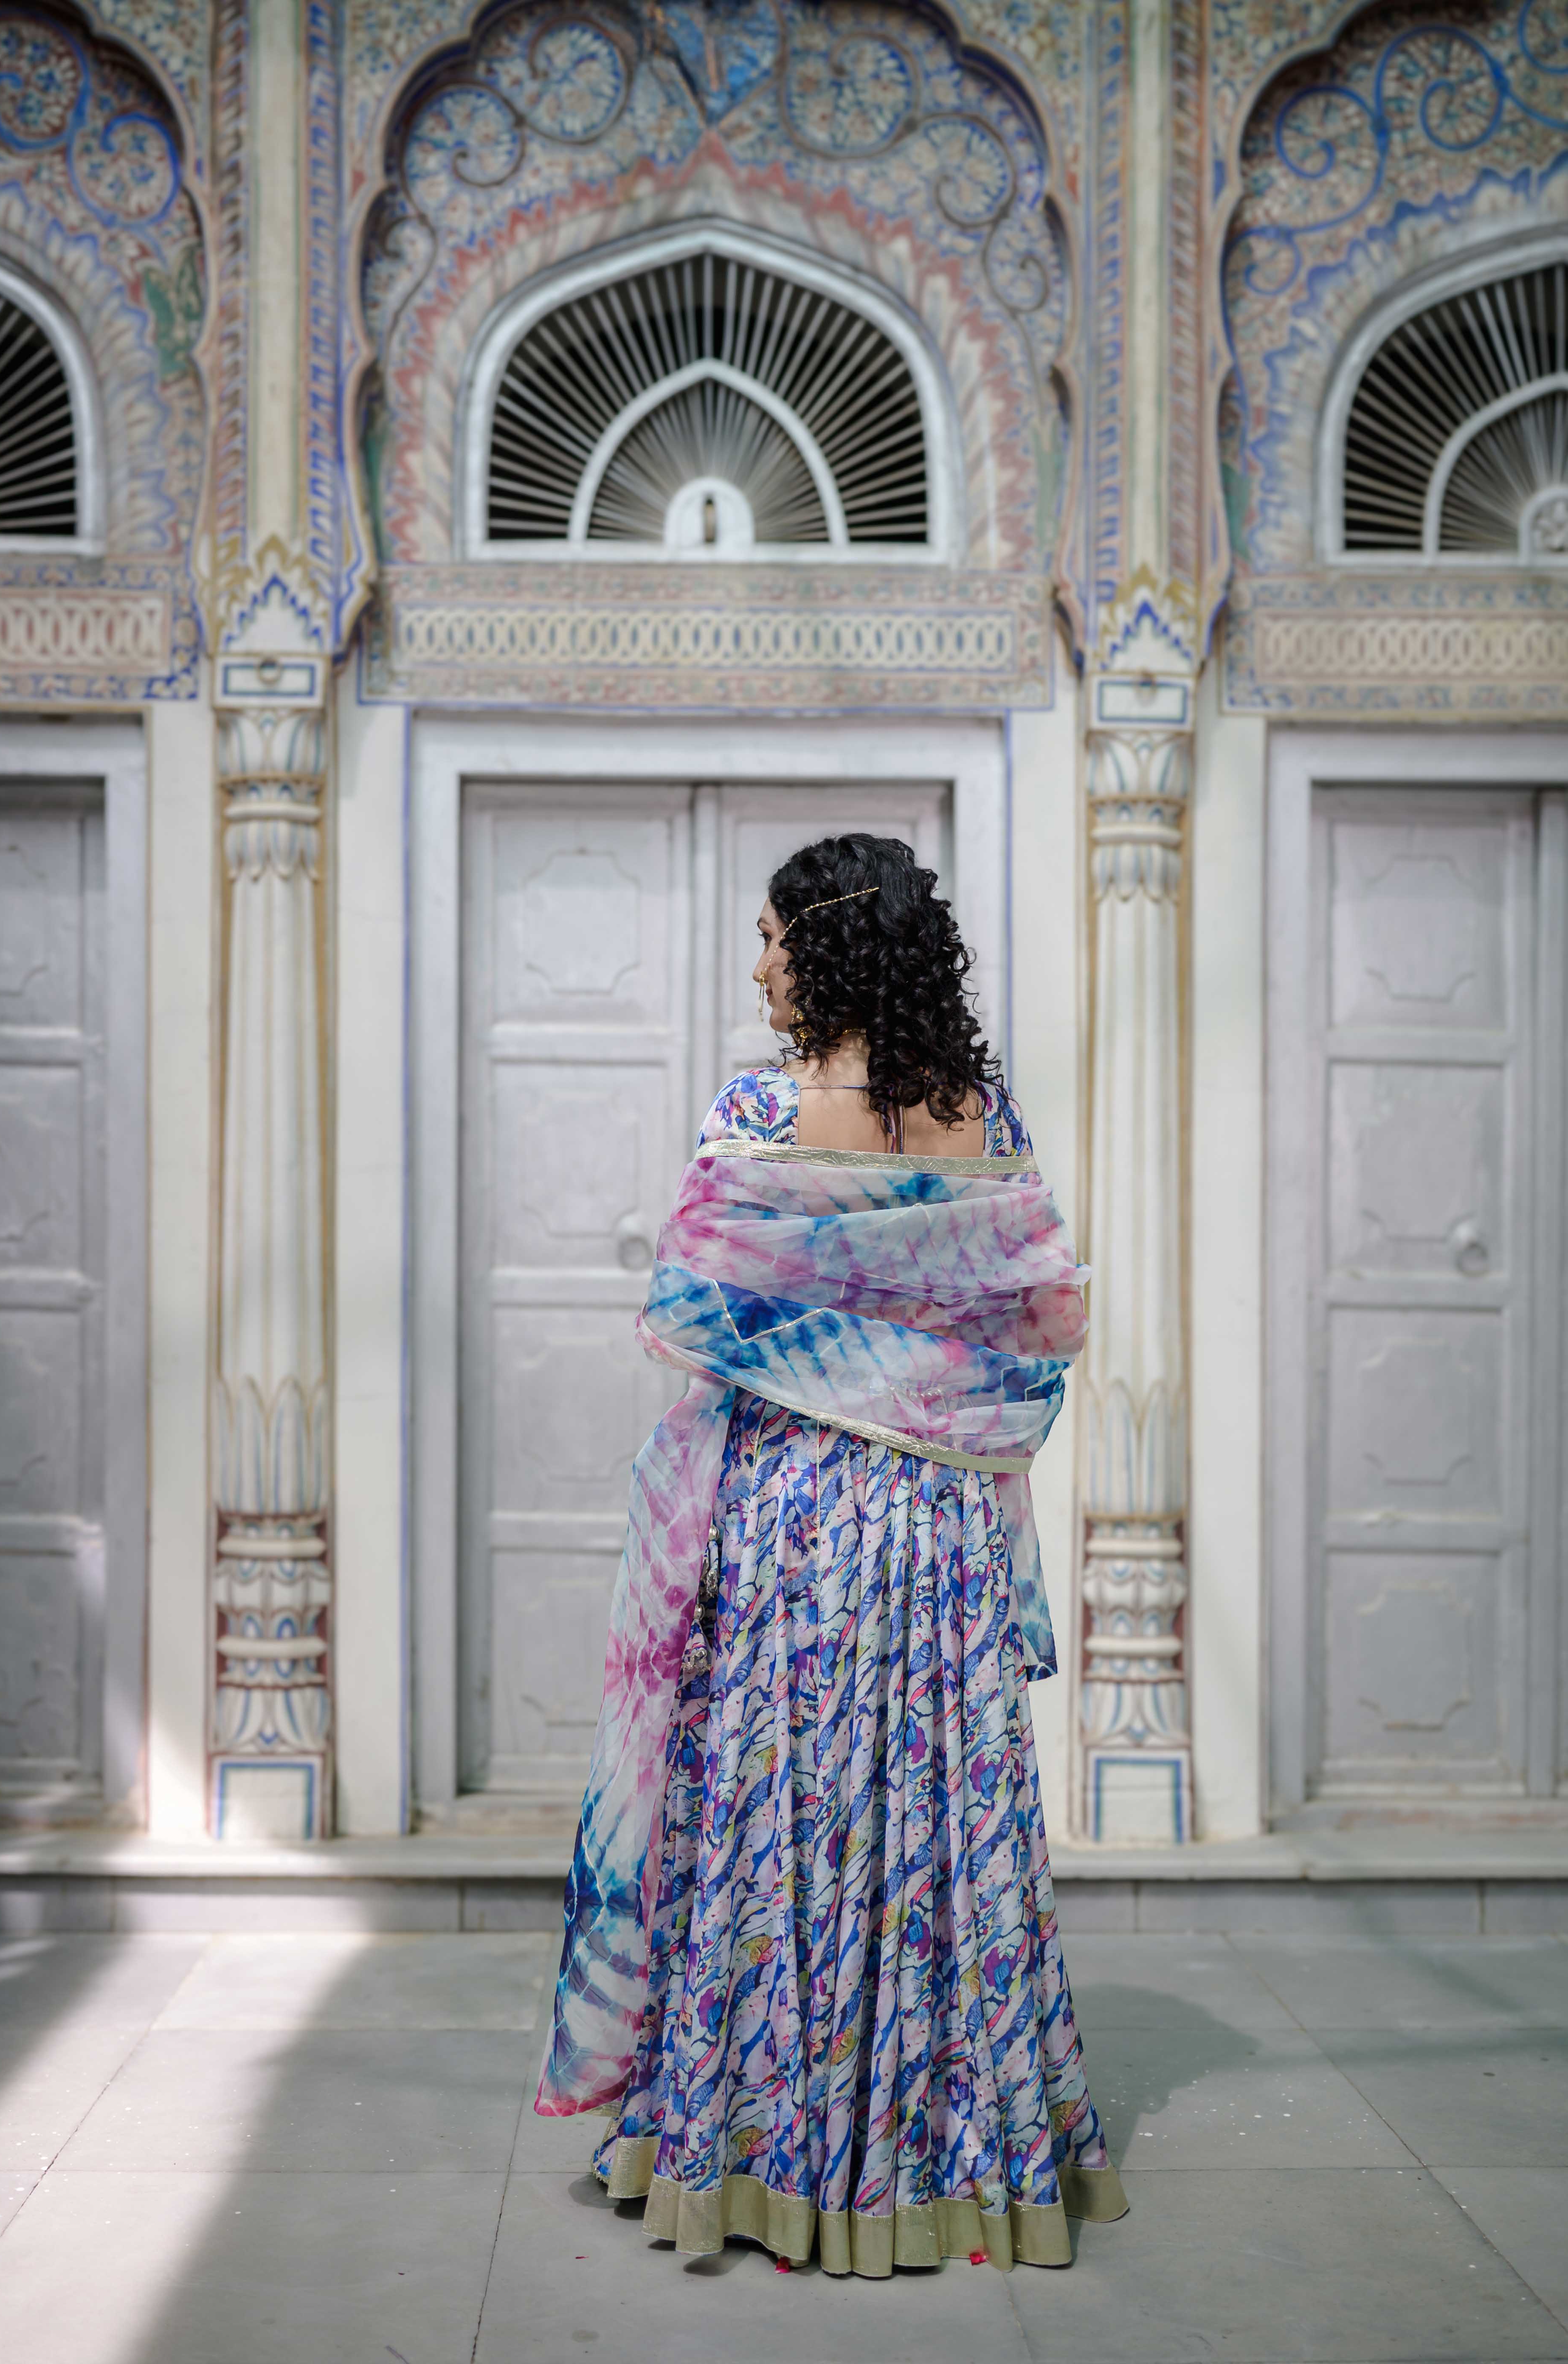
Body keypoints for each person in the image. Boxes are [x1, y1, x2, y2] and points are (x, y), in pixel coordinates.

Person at [535, 832, 1127, 2277]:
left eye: (773, 939)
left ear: (829, 950)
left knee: (776, 1813)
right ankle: (952, 2159)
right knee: (930, 1821)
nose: (757, 965)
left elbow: (698, 1309)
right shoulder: (978, 1121)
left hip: (794, 1514)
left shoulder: (754, 1111)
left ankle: (758, 2157)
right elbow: (1028, 1335)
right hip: (932, 1533)